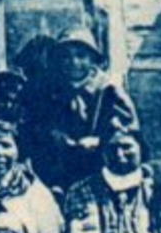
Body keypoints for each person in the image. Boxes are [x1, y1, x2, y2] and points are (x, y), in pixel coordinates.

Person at [20, 27, 138, 195]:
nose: (74, 63)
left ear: (93, 60)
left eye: (81, 56)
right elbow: (38, 127)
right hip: (59, 171)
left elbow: (128, 134)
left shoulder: (107, 90)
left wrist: (100, 141)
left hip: (99, 169)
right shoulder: (51, 90)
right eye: (65, 57)